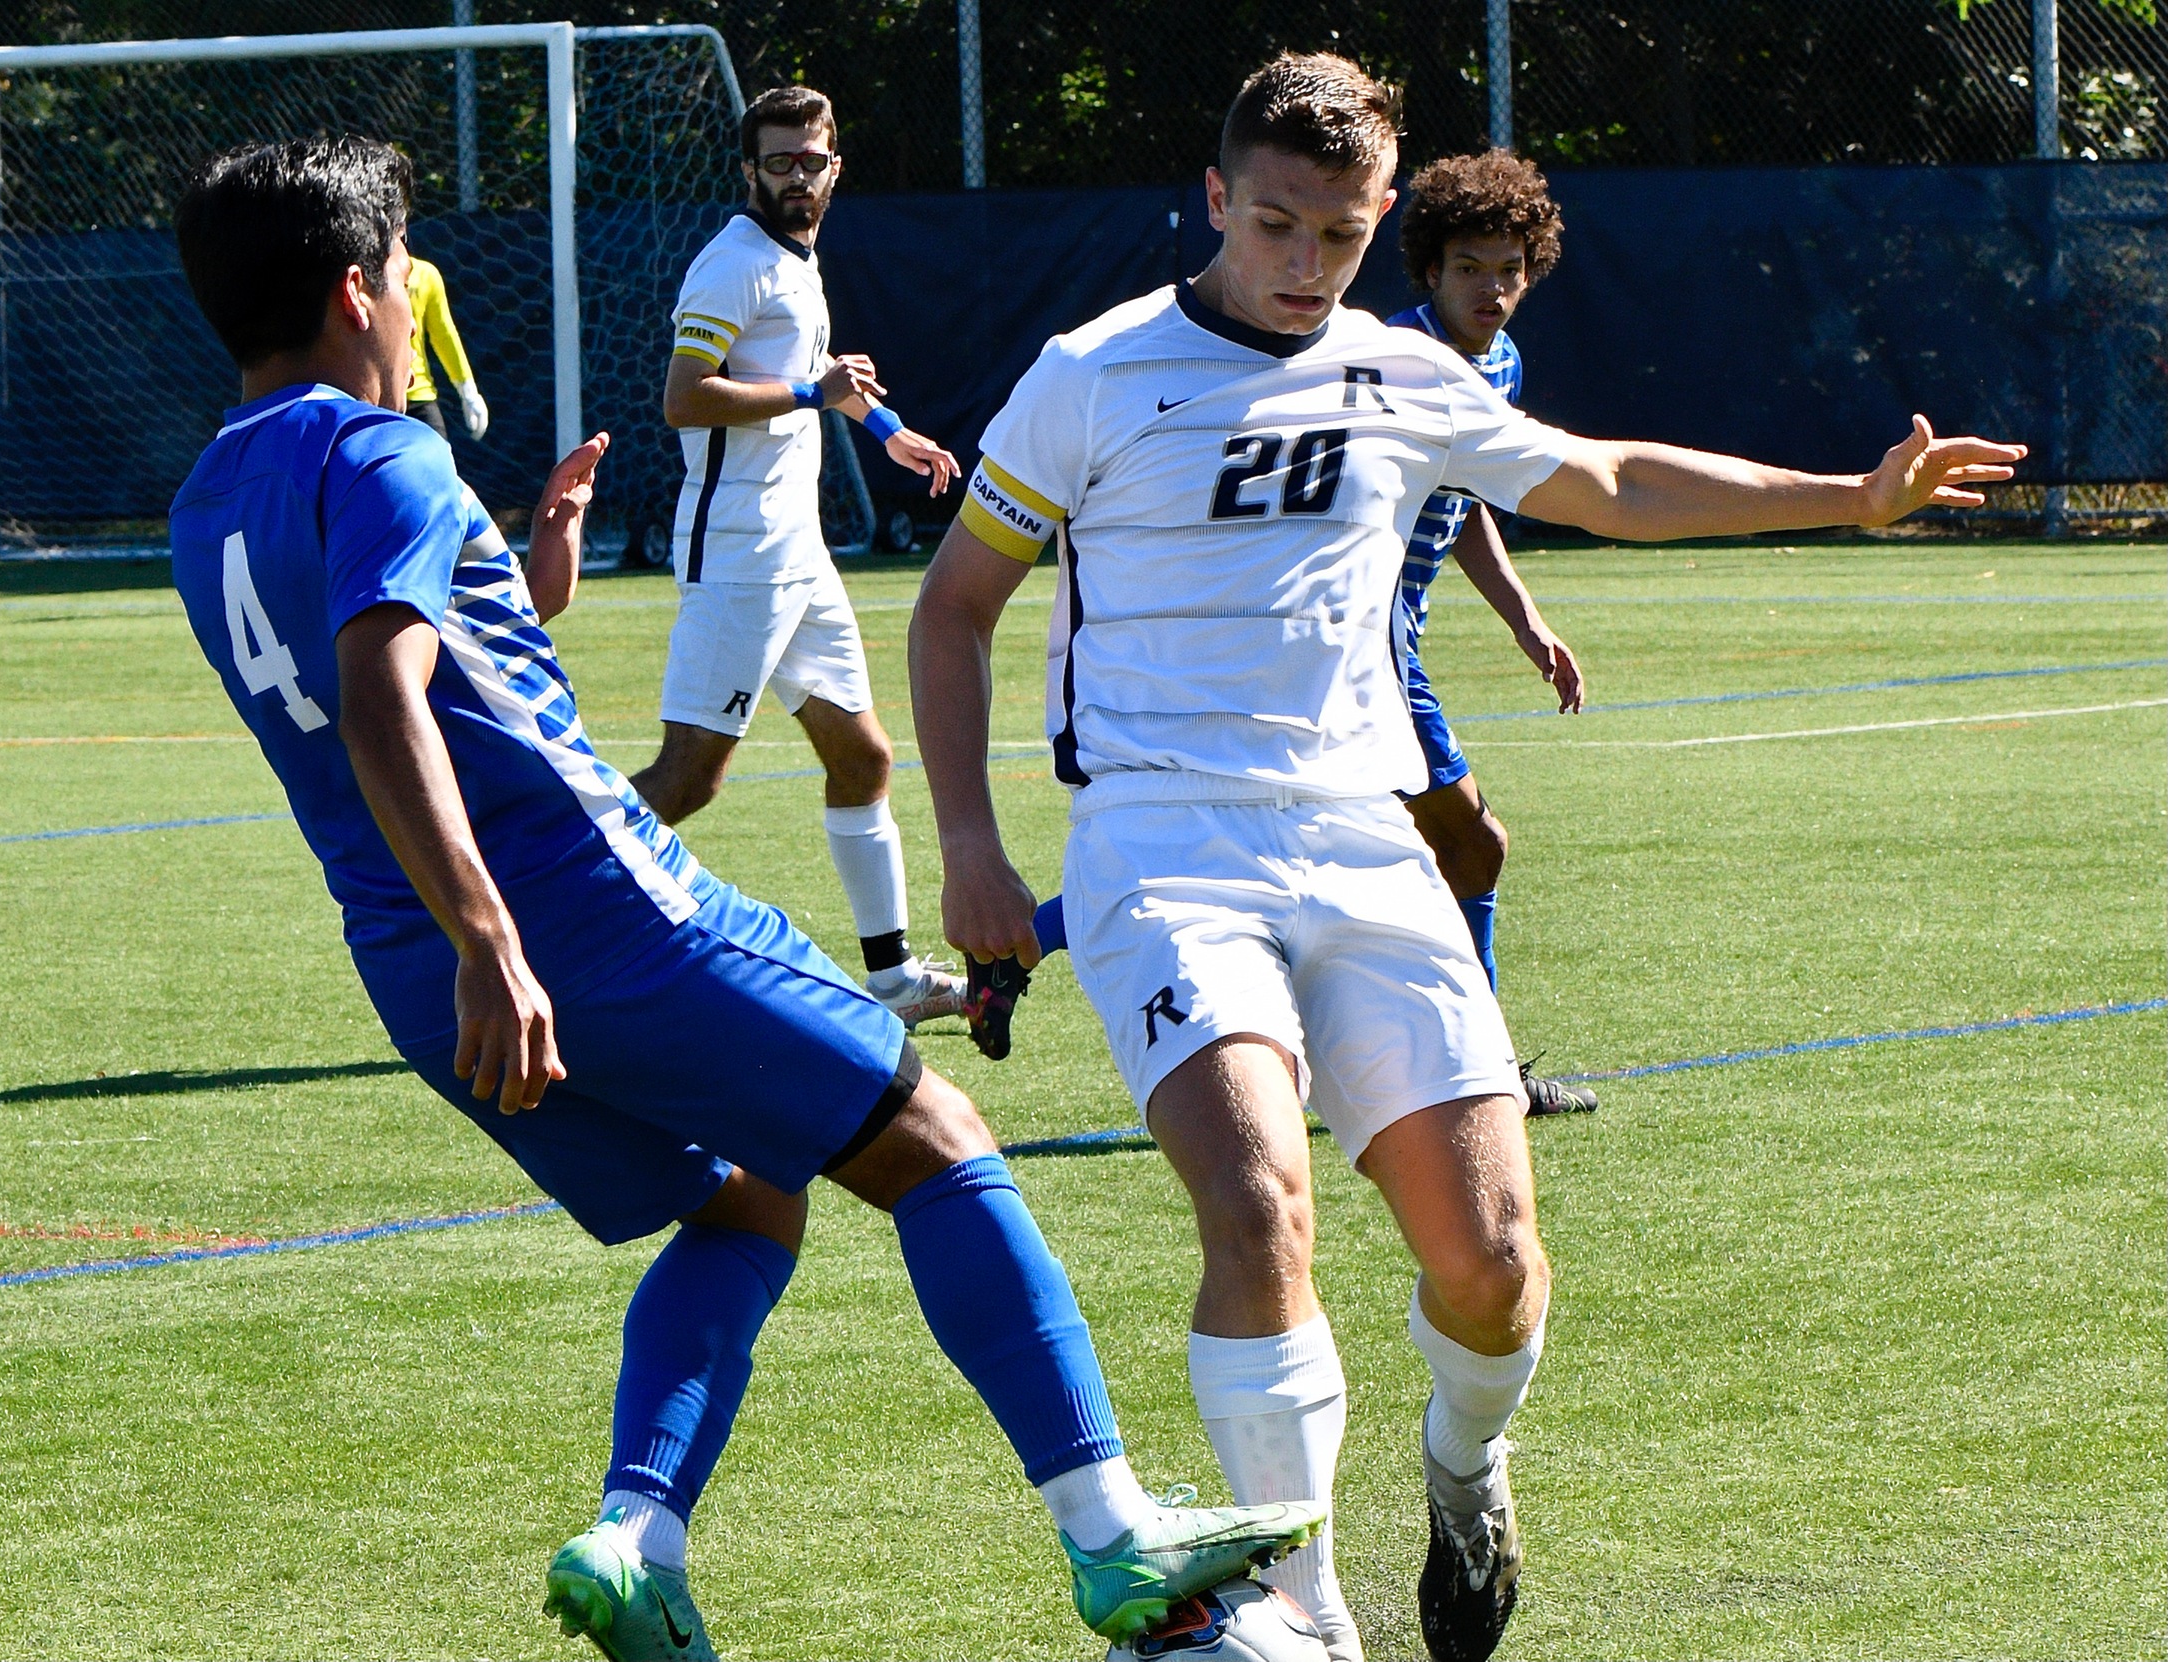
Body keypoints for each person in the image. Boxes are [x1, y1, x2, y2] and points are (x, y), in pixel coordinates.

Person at [909, 53, 2020, 1662]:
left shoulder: (1403, 373)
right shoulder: (1091, 375)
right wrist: (969, 846)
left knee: (1492, 1263)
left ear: (1376, 227)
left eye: (1340, 236)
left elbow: (1605, 478)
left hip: (1365, 840)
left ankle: (1463, 1463)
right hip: (1163, 838)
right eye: (1275, 224)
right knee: (1256, 1201)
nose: (1304, 265)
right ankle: (1302, 1608)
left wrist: (1848, 493)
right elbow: (956, 606)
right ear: (1216, 200)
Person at [167, 134, 1322, 1662]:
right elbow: (384, 696)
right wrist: (496, 940)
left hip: (405, 959)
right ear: (355, 289)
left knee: (742, 1198)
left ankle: (635, 1536)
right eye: (405, 281)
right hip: (584, 919)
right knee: (937, 1140)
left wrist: (535, 570)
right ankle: (1112, 1536)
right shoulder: (382, 451)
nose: (406, 311)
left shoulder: (208, 497)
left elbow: (415, 675)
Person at [632, 84, 965, 1029]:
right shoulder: (732, 264)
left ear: (833, 165)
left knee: (861, 758)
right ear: (750, 171)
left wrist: (887, 427)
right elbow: (688, 396)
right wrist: (816, 393)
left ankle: (894, 981)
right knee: (690, 779)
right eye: (776, 162)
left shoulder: (798, 262)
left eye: (808, 161)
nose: (794, 178)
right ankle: (529, 907)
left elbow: (818, 381)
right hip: (739, 551)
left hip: (796, 552)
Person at [1386, 150, 1595, 1119]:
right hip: (1358, 648)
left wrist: (1526, 619)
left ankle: (1017, 949)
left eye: (1510, 268)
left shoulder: (1500, 363)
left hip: (1394, 643)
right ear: (1430, 268)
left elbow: (1467, 504)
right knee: (1474, 850)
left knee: (1263, 855)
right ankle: (1483, 1076)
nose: (1493, 288)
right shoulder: (1395, 363)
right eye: (1471, 266)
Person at [403, 253, 487, 443]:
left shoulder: (426, 275)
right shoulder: (364, 275)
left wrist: (468, 390)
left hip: (420, 397)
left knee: (439, 465)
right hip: (373, 402)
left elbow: (444, 334)